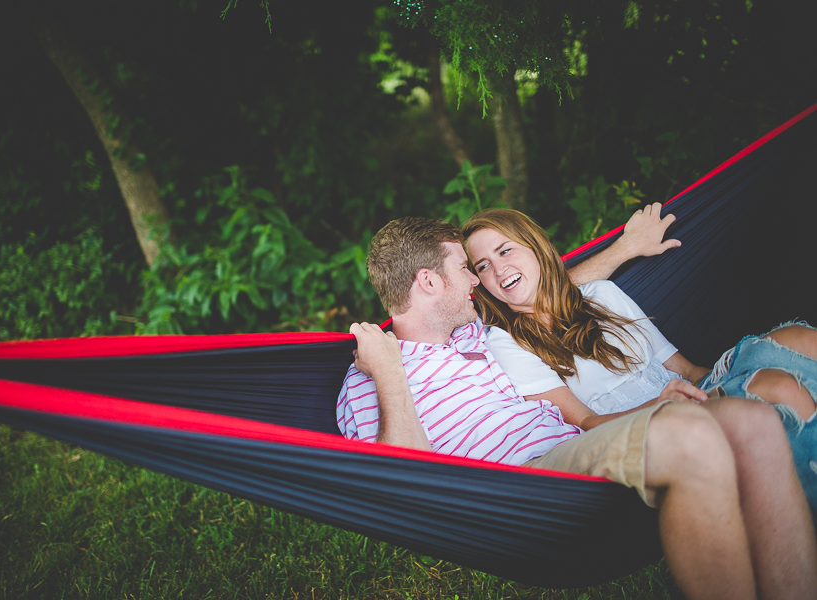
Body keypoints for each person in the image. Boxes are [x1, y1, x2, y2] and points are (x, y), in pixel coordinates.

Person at [337, 211, 817, 600]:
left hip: (576, 448)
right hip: (523, 482)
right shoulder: (371, 376)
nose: (477, 282)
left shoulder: (475, 333)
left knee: (750, 420)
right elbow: (404, 484)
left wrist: (625, 248)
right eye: (467, 268)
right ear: (428, 281)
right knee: (691, 432)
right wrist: (390, 373)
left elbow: (545, 294)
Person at [463, 206, 817, 512]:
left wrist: (728, 381)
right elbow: (586, 422)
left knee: (799, 339)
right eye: (483, 265)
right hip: (647, 426)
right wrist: (658, 404)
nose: (498, 269)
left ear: (537, 248)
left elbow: (684, 369)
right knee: (777, 386)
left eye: (505, 250)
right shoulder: (507, 343)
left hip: (691, 393)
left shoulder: (602, 293)